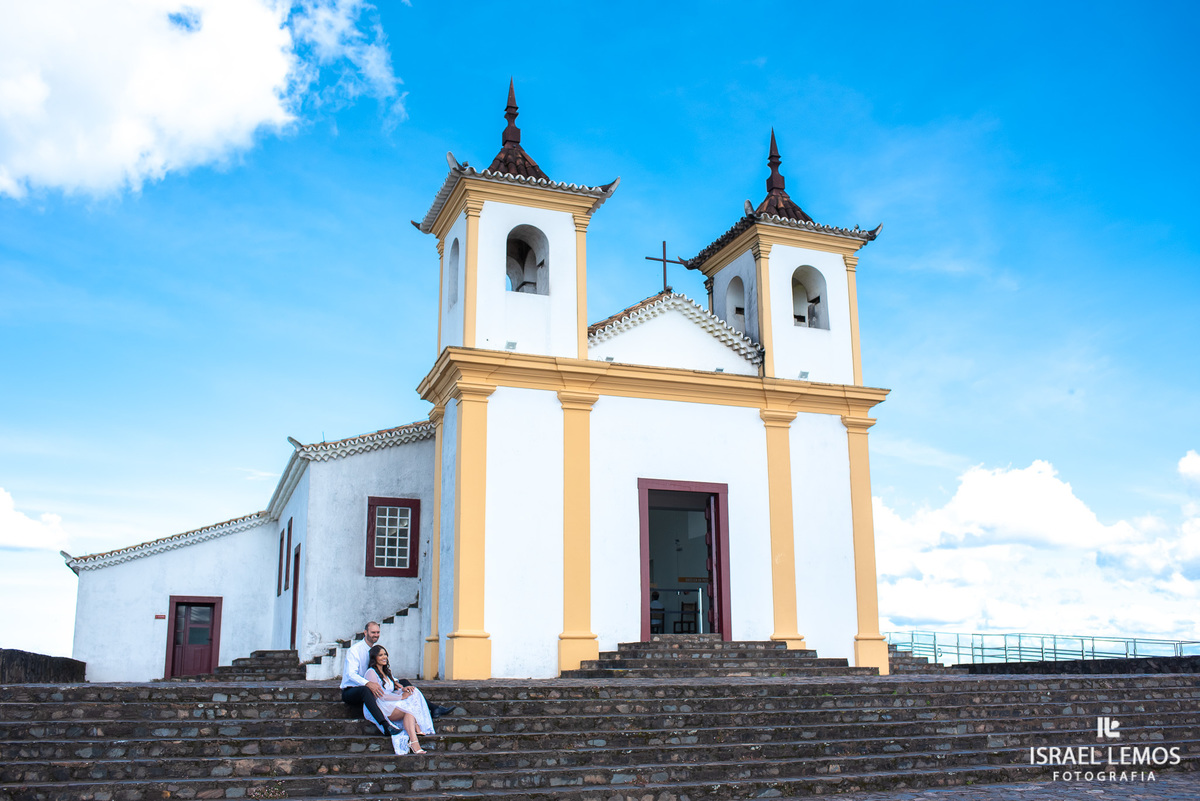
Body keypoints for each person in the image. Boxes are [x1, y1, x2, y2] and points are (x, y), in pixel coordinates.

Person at [339, 621, 456, 738]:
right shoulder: (355, 650)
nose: (376, 635)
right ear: (365, 633)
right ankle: (385, 725)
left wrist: (394, 682)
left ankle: (433, 708)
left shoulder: (374, 650)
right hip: (352, 691)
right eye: (373, 632)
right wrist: (368, 683)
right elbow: (351, 674)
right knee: (366, 690)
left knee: (403, 682)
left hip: (373, 688)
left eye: (378, 632)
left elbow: (381, 671)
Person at [365, 644, 434, 755]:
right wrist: (401, 697)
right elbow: (380, 695)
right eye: (380, 655)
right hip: (382, 705)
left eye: (385, 654)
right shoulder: (371, 672)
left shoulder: (386, 672)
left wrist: (403, 690)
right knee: (408, 710)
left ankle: (414, 740)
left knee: (413, 692)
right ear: (374, 658)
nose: (384, 657)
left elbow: (391, 691)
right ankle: (415, 735)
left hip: (390, 701)